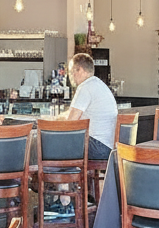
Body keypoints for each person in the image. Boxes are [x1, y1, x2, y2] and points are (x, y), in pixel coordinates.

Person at [45, 53, 117, 218]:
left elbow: (70, 122)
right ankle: (68, 197)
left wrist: (51, 122)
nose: (71, 76)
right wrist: (57, 118)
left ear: (80, 70)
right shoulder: (98, 85)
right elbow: (74, 113)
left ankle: (64, 202)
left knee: (53, 146)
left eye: (72, 72)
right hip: (107, 147)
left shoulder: (85, 87)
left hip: (97, 147)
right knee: (62, 146)